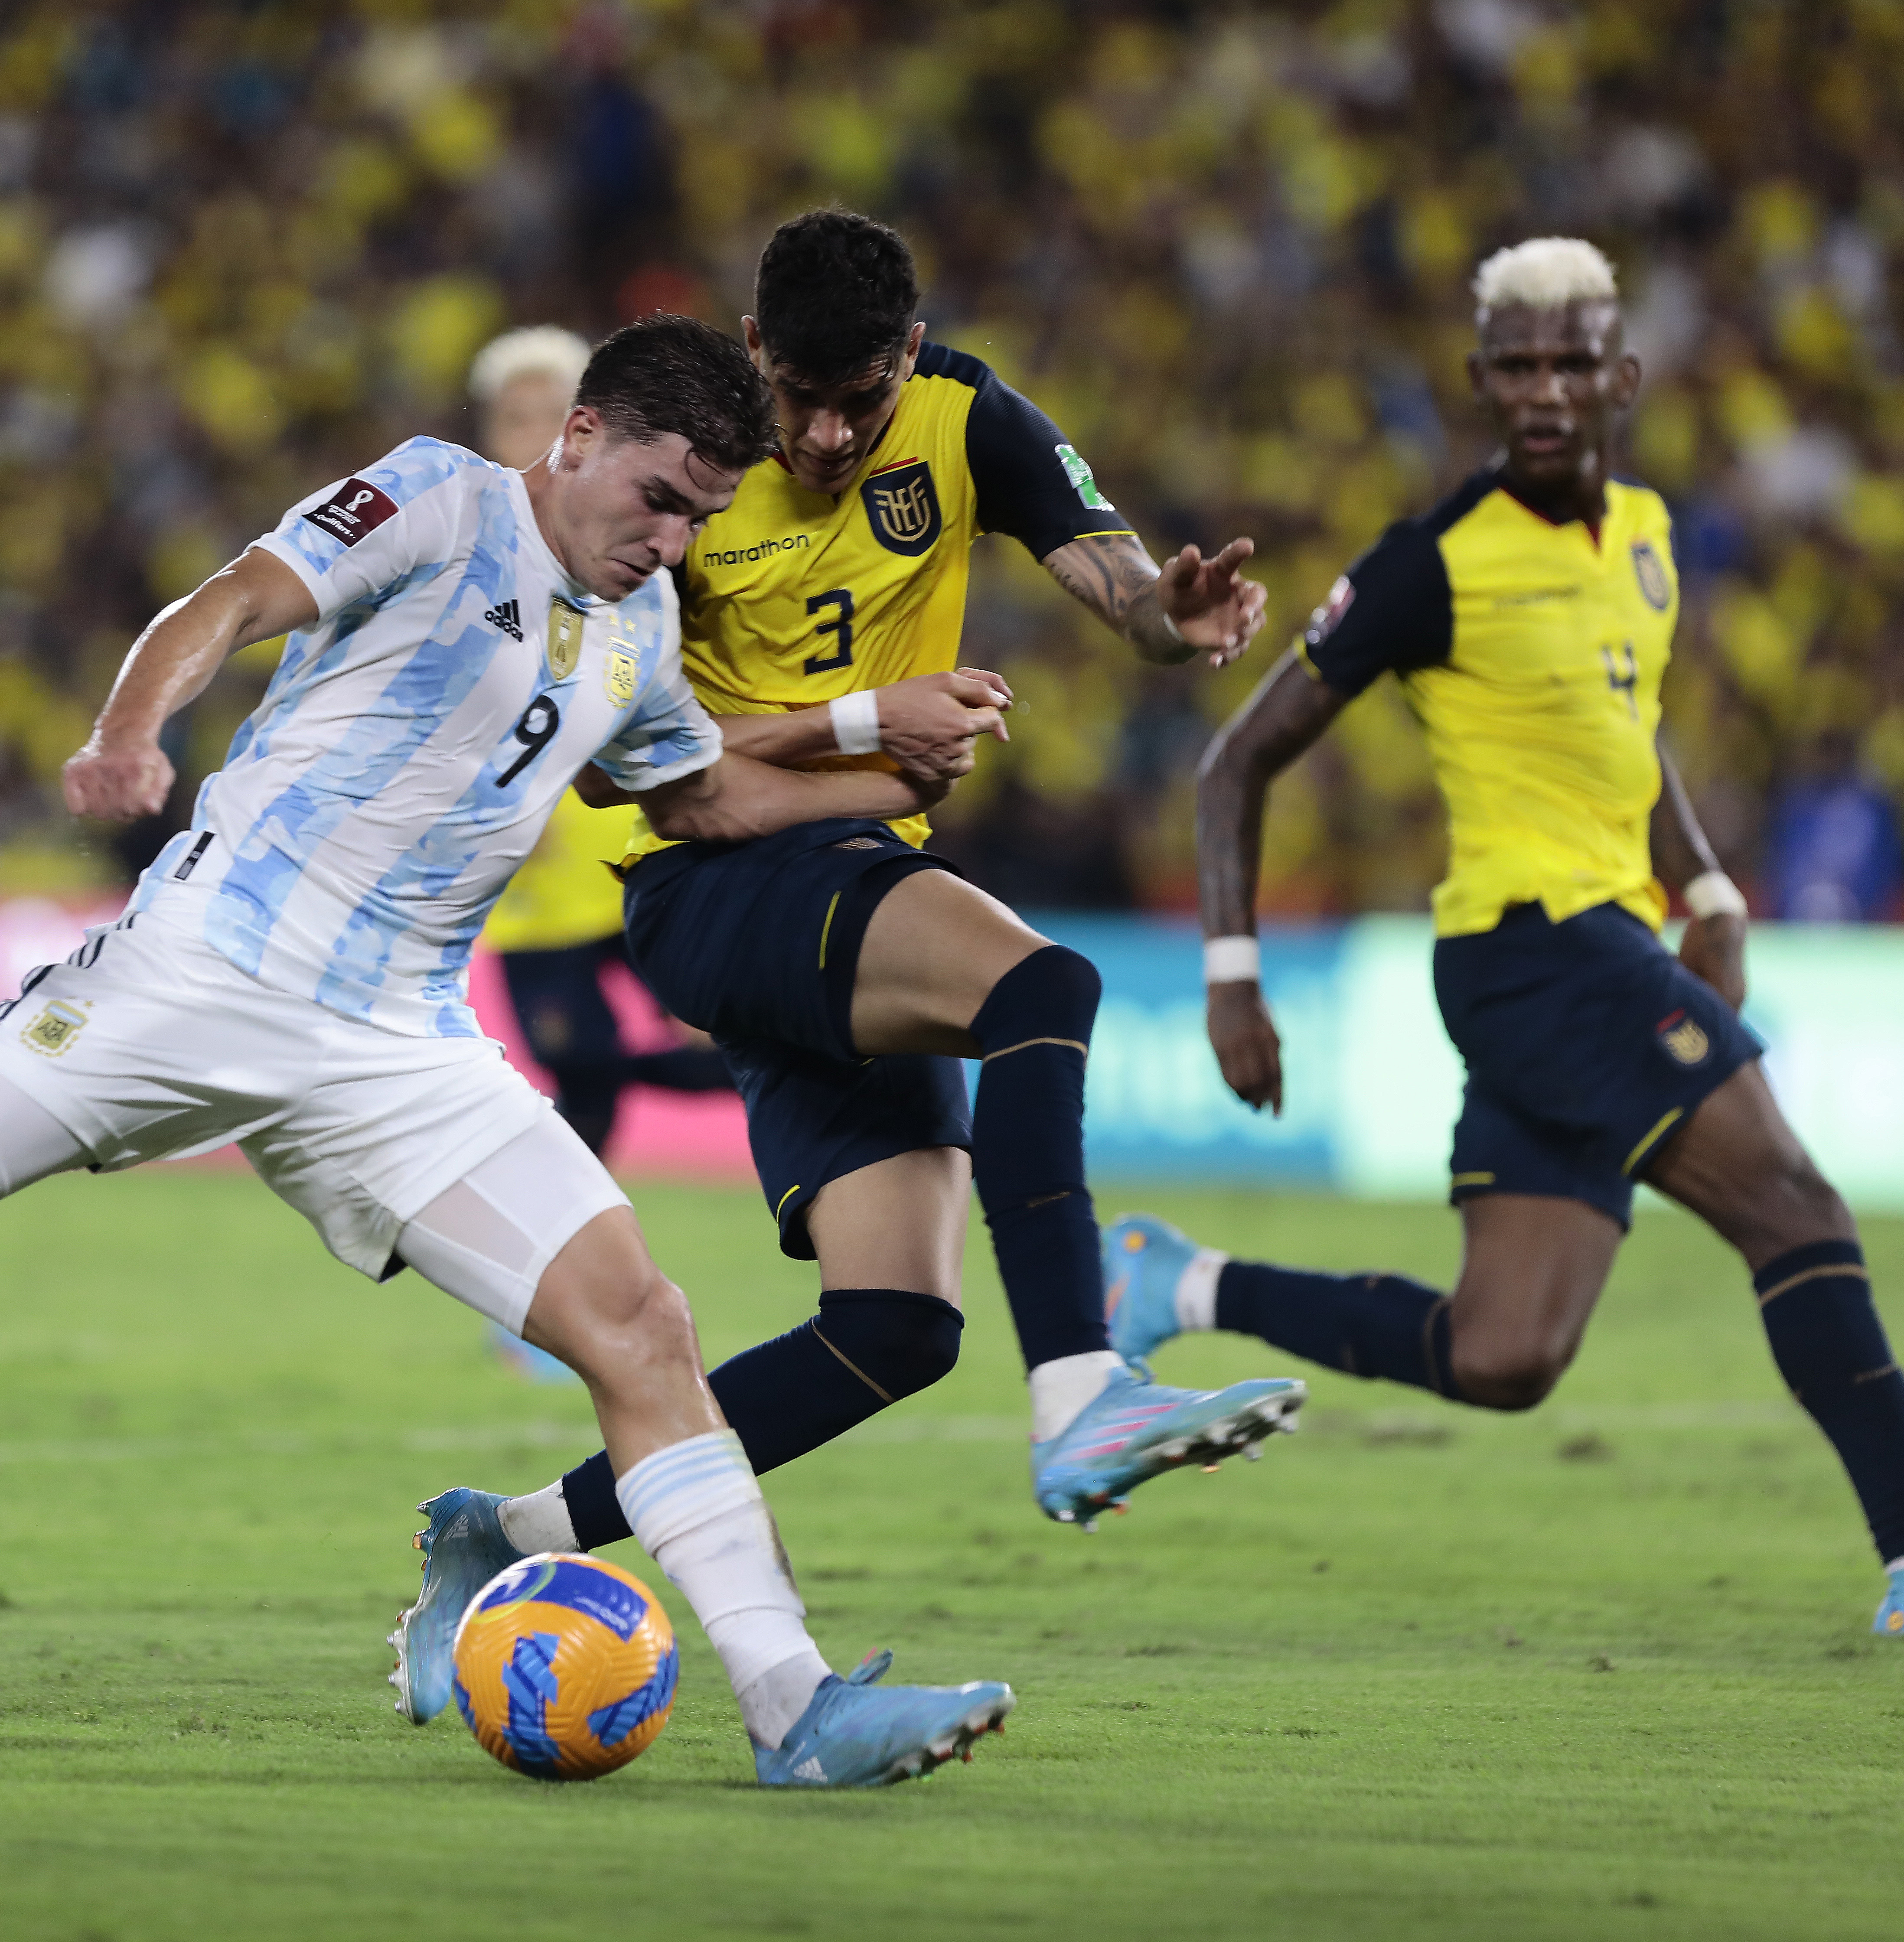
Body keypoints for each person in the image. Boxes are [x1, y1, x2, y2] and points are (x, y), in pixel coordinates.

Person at [0, 316, 1020, 1784]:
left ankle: (793, 1707)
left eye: (699, 517)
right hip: (206, 970)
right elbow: (227, 606)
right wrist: (134, 727)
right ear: (583, 437)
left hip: (401, 1040)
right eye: (660, 498)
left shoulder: (641, 620)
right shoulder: (439, 498)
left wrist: (886, 763)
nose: (671, 539)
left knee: (641, 1326)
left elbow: (693, 797)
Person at [396, 215, 1305, 1704]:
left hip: (843, 872)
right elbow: (635, 760)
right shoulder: (680, 479)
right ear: (755, 356)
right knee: (1044, 989)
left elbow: (1120, 583)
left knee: (893, 1330)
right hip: (710, 881)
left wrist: (1169, 616)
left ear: (907, 354)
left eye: (856, 399)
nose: (822, 434)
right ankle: (1080, 1388)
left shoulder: (964, 419)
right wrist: (873, 724)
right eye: (798, 395)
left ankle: (509, 1534)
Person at [1106, 237, 1904, 1640]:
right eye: (1519, 367)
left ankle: (1176, 1280)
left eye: (1573, 363)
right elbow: (1235, 766)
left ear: (1622, 375)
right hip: (1534, 953)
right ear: (1481, 383)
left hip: (1592, 951)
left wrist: (1713, 892)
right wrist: (1233, 971)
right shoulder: (1433, 564)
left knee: (1503, 1354)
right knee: (1795, 1210)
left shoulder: (1649, 538)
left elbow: (1633, 744)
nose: (1547, 390)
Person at [472, 326, 734, 1163]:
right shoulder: (460, 554)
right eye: (519, 416)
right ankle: (557, 1273)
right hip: (531, 889)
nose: (539, 432)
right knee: (576, 1071)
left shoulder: (650, 565)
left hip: (635, 862)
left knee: (722, 1047)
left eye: (555, 412)